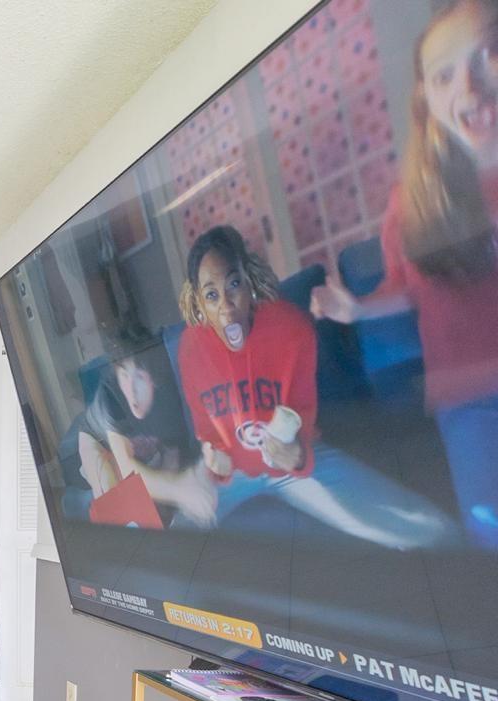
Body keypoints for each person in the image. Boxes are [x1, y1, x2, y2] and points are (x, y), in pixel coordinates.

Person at [311, 0, 498, 550]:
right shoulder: (413, 200)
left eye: (487, 54)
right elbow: (406, 286)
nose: (468, 85)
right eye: (444, 75)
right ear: (427, 99)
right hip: (469, 401)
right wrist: (359, 308)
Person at [177, 225, 455, 548]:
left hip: (294, 457)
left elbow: (302, 418)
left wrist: (296, 456)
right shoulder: (190, 349)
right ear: (198, 302)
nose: (226, 306)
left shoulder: (292, 330)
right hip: (233, 474)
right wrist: (215, 458)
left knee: (428, 529)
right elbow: (207, 430)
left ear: (248, 280)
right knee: (174, 538)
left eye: (233, 284)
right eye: (211, 295)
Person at [86, 344, 218, 525]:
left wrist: (186, 486)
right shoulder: (111, 397)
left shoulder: (169, 398)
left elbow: (175, 454)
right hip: (96, 446)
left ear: (154, 381)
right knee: (109, 489)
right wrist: (181, 492)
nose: (131, 390)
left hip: (148, 457)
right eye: (124, 375)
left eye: (139, 377)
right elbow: (127, 470)